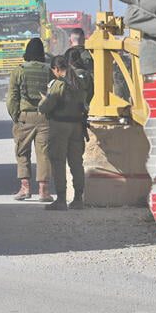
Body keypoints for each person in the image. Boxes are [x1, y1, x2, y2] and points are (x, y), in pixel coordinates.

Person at [39, 55, 87, 210]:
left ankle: (61, 200)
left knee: (58, 162)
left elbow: (45, 107)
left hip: (60, 126)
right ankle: (78, 199)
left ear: (57, 69)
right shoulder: (79, 82)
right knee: (76, 163)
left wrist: (43, 99)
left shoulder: (58, 84)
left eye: (53, 70)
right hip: (77, 126)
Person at [6, 37, 52, 201]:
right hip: (45, 117)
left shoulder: (19, 71)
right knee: (44, 154)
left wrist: (16, 116)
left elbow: (12, 98)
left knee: (22, 152)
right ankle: (44, 191)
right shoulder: (49, 70)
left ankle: (25, 188)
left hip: (25, 118)